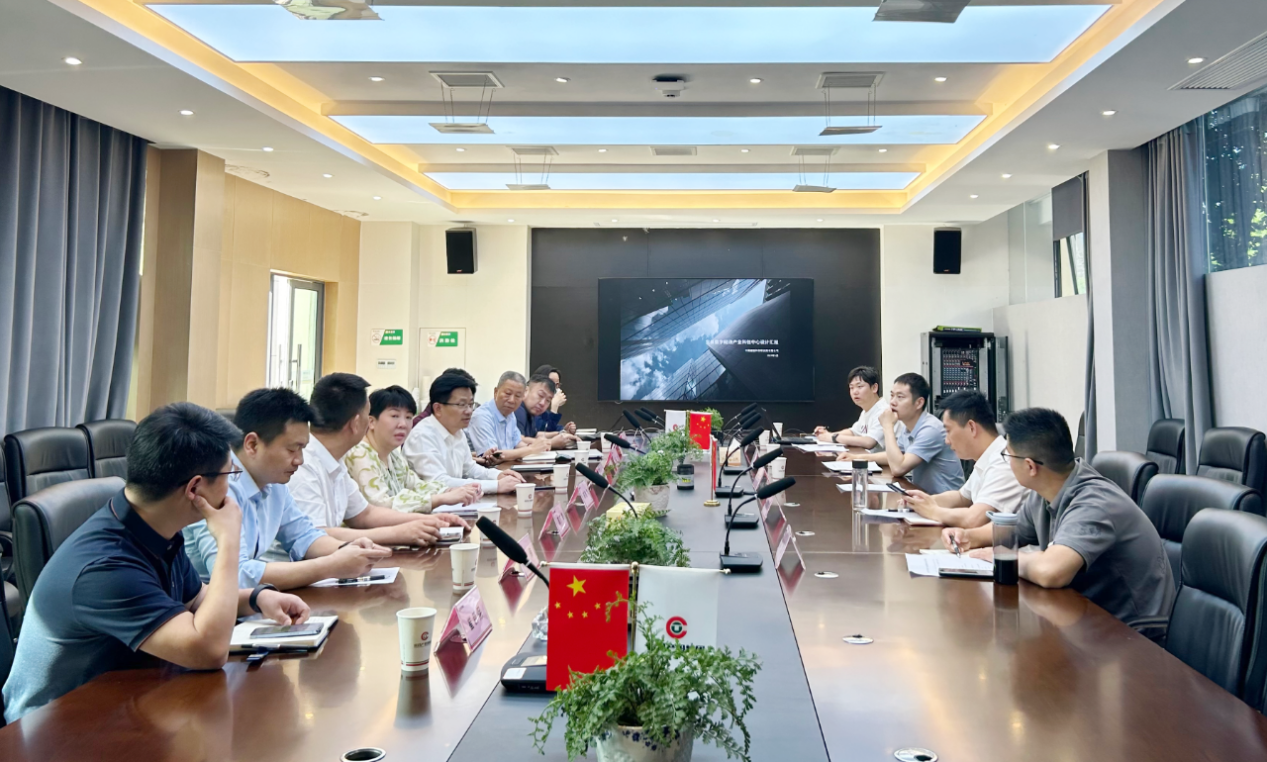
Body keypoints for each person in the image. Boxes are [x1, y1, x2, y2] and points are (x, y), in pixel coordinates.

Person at [3, 403, 310, 722]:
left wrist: (258, 598)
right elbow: (207, 650)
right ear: (194, 488)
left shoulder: (153, 526)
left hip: (122, 705)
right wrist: (229, 540)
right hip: (55, 731)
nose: (233, 490)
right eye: (230, 474)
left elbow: (197, 599)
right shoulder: (107, 568)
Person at [943, 408, 1176, 636]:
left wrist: (1003, 557)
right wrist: (967, 536)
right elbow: (1014, 532)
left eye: (1008, 455)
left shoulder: (1093, 503)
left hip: (1133, 636)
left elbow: (1050, 571)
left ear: (1030, 466)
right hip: (1087, 619)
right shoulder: (1045, 491)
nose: (1007, 463)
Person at [184, 388, 393, 591]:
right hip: (197, 604)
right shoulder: (217, 483)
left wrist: (347, 549)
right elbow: (233, 576)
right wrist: (330, 566)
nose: (299, 460)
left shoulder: (273, 482)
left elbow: (304, 536)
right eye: (292, 449)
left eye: (302, 449)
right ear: (252, 444)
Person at [291, 373, 469, 545]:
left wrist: (431, 521)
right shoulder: (303, 465)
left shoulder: (335, 460)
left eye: (408, 417)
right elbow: (317, 536)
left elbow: (365, 514)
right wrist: (399, 533)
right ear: (357, 423)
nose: (403, 424)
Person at [345, 385, 481, 513]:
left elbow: (416, 485)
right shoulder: (360, 453)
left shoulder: (393, 454)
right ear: (371, 422)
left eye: (409, 417)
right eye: (394, 416)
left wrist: (449, 491)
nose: (403, 424)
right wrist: (440, 498)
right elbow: (380, 505)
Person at [902, 390, 1027, 527]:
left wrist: (932, 510)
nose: (947, 441)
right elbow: (961, 497)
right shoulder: (987, 457)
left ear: (972, 427)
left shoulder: (1003, 462)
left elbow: (974, 519)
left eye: (948, 431)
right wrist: (923, 501)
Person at [403, 371, 525, 493]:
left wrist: (498, 475)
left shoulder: (457, 431)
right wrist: (496, 485)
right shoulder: (422, 436)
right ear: (438, 408)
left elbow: (470, 469)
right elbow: (439, 482)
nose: (469, 411)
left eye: (470, 404)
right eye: (461, 405)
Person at [843, 372, 964, 494]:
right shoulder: (908, 427)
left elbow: (898, 468)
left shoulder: (930, 429)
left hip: (944, 501)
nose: (892, 402)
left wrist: (887, 426)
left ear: (919, 403)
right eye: (892, 395)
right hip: (922, 496)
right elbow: (894, 456)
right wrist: (858, 458)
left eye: (900, 397)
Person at [468, 371, 551, 460]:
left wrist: (538, 447)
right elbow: (492, 456)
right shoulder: (481, 416)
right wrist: (531, 449)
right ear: (496, 392)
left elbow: (517, 443)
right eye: (507, 393)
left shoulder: (511, 415)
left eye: (518, 396)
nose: (512, 400)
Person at [814, 365, 885, 451]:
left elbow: (869, 442)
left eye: (859, 386)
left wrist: (833, 437)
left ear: (874, 388)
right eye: (851, 387)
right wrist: (826, 434)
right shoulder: (867, 410)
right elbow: (853, 432)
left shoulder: (883, 411)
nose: (855, 392)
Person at [514, 374, 577, 451]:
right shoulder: (518, 410)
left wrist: (561, 434)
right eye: (540, 395)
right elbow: (519, 441)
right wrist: (551, 443)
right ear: (526, 391)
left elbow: (535, 435)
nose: (542, 403)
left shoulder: (530, 413)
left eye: (548, 400)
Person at [531, 364, 577, 435]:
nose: (555, 388)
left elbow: (551, 426)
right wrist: (554, 408)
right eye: (551, 384)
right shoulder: (533, 405)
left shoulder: (545, 407)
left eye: (557, 385)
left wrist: (564, 430)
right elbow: (543, 432)